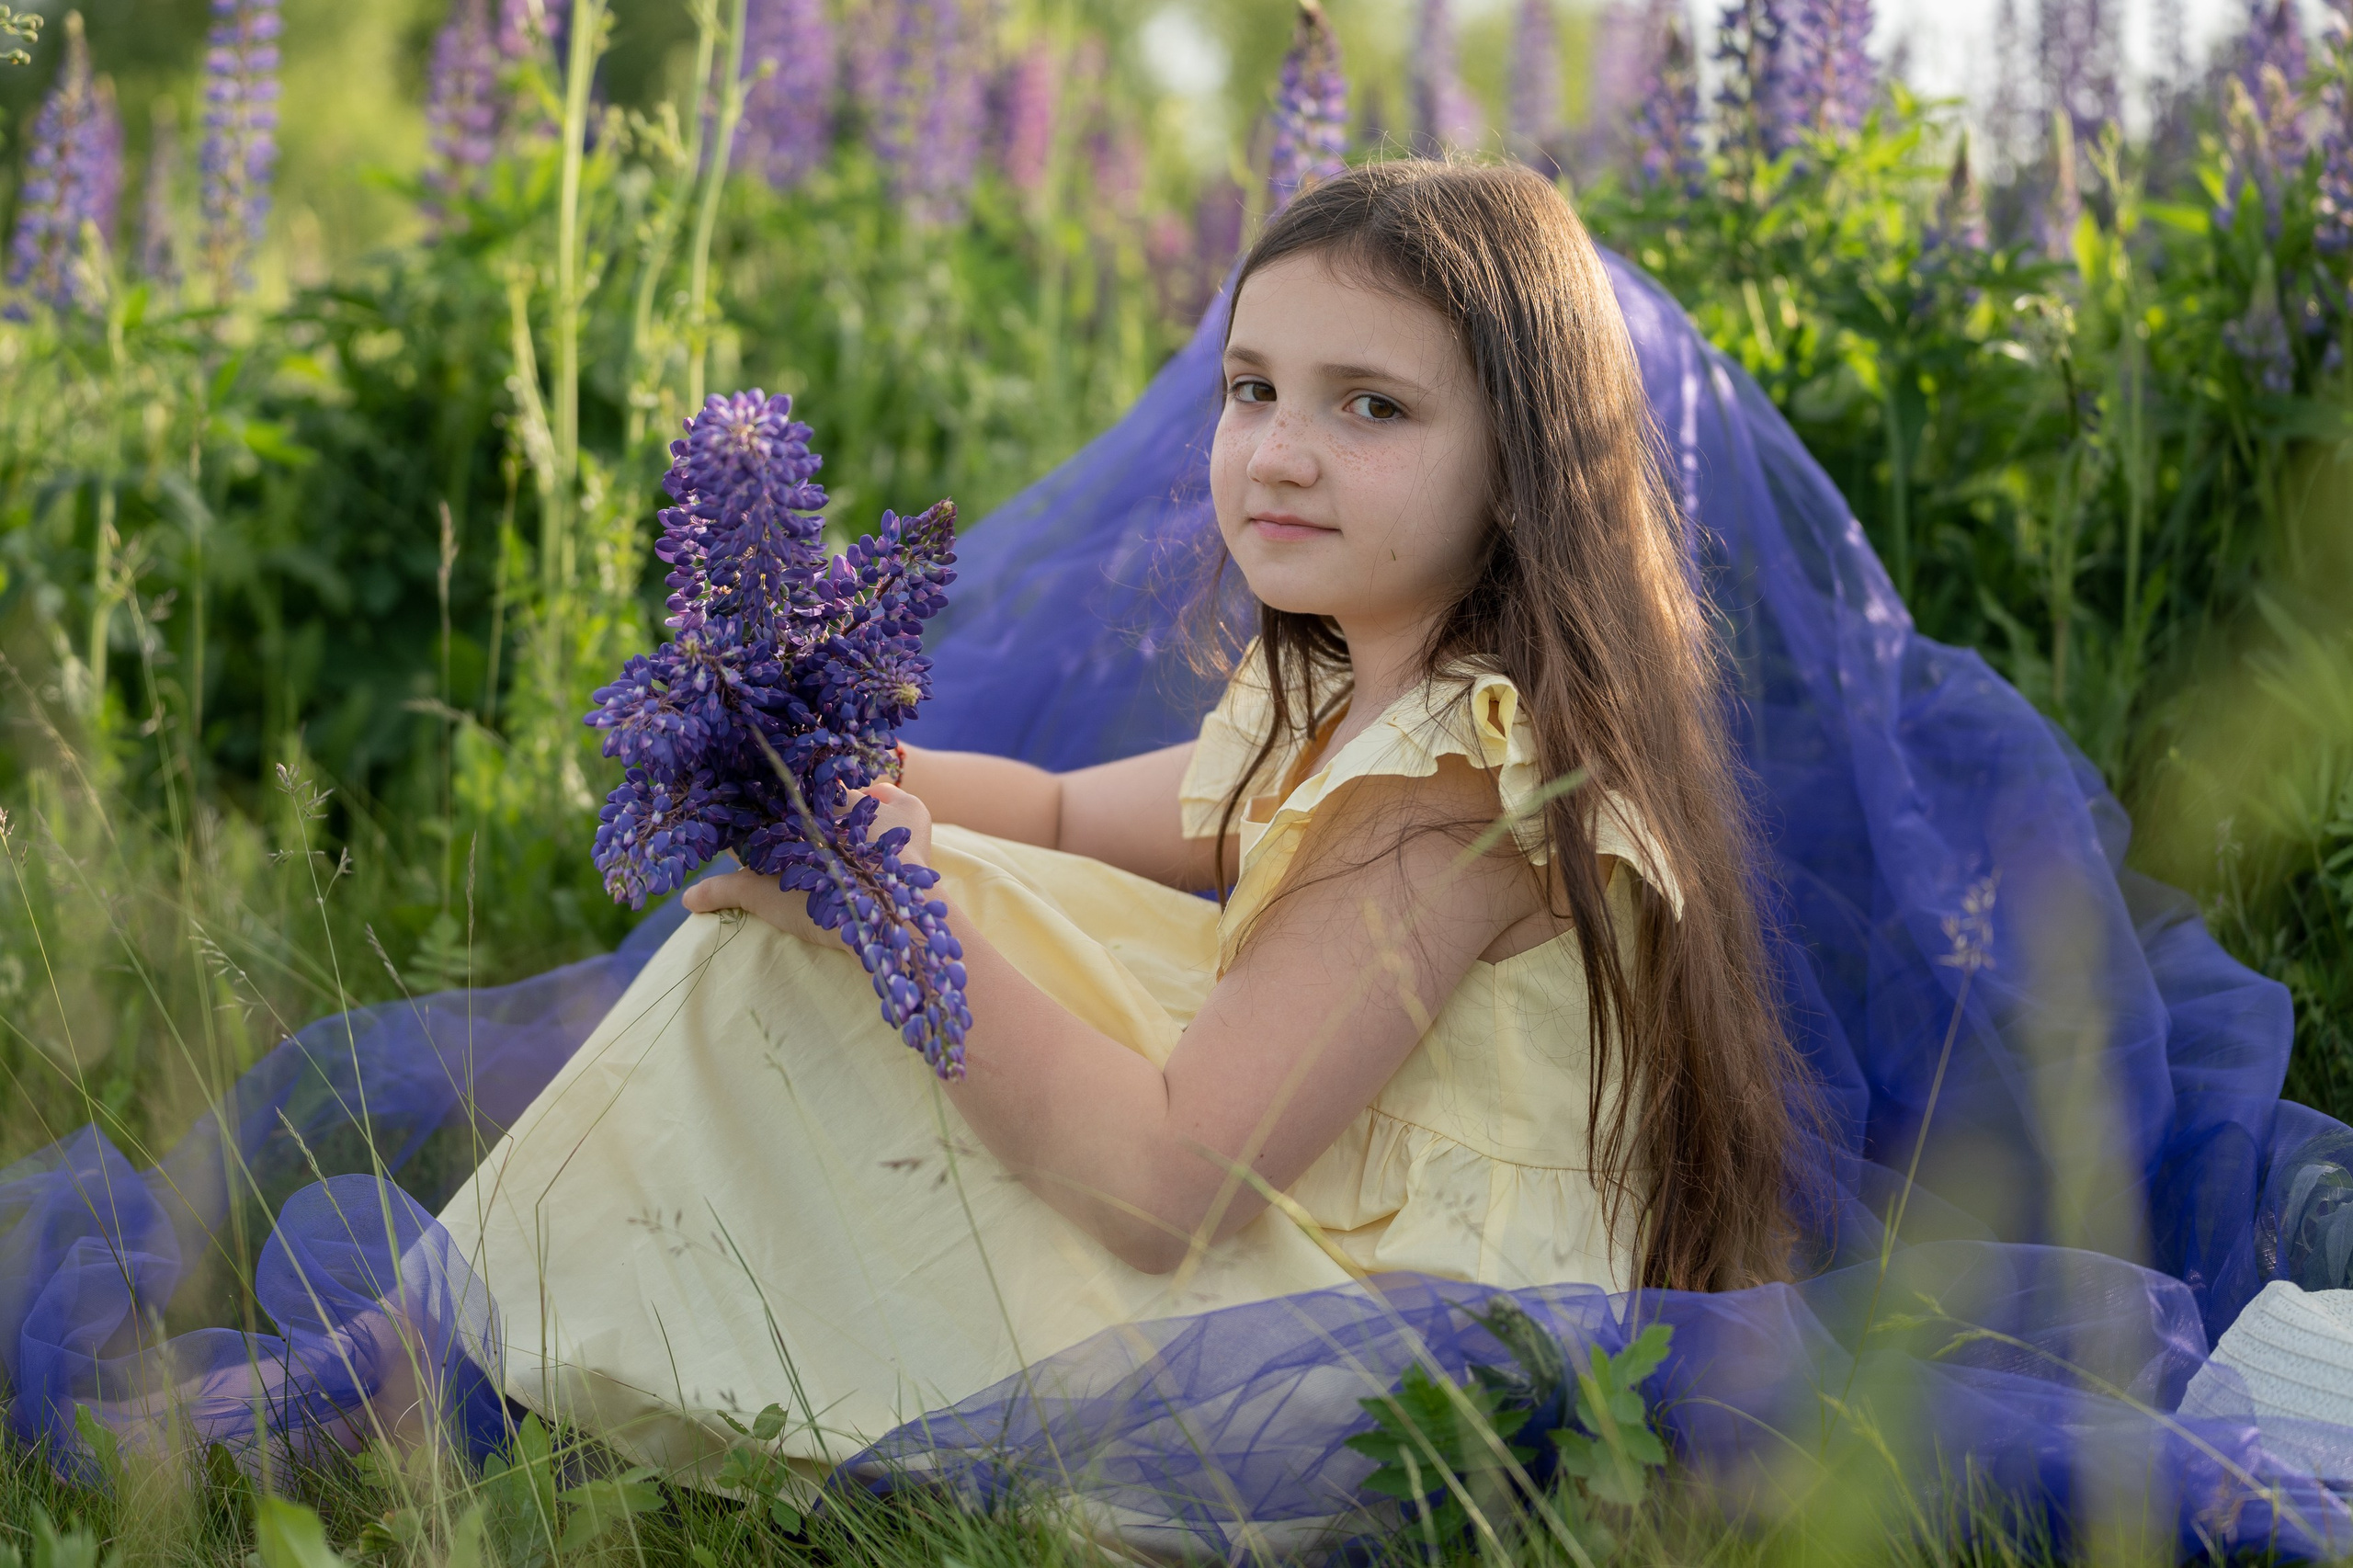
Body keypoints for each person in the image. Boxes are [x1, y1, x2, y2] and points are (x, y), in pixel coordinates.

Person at [433, 158, 1815, 1481]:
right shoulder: (1361, 714)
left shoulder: (1451, 789)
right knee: (911, 891)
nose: (1278, 452)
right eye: (1253, 387)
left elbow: (1167, 1188)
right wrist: (806, 769)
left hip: (1369, 1379)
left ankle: (428, 1366)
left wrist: (874, 912)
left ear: (1522, 467)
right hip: (1319, 1282)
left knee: (846, 944)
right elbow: (1053, 813)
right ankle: (456, 1346)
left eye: (1371, 408)